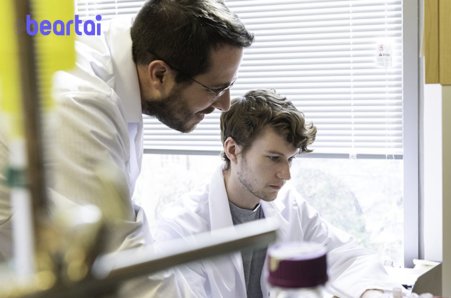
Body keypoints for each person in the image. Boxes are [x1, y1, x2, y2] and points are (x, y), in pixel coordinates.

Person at [0, 0, 253, 295]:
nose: (225, 104)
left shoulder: (134, 51)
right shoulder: (79, 104)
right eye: (215, 88)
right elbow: (122, 263)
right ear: (158, 74)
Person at [153, 89, 403, 298]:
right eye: (274, 158)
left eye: (290, 160)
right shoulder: (181, 228)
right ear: (232, 149)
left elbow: (348, 258)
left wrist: (370, 292)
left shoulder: (290, 207)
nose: (286, 174)